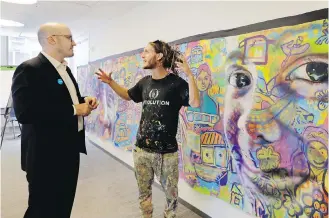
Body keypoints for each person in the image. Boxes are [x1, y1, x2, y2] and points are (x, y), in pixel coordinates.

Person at [96, 40, 200, 218]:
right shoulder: (144, 82)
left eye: (146, 51)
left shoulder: (176, 84)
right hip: (141, 150)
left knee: (171, 196)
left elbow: (195, 102)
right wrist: (110, 82)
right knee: (144, 194)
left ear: (159, 56)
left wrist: (190, 76)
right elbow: (128, 96)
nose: (142, 55)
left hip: (166, 153)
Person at [11, 22, 99, 218]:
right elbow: (25, 113)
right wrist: (74, 109)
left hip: (68, 150)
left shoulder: (64, 70)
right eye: (69, 37)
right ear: (51, 39)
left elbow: (59, 100)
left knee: (62, 206)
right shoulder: (29, 69)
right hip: (45, 155)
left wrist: (83, 100)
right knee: (42, 209)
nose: (74, 43)